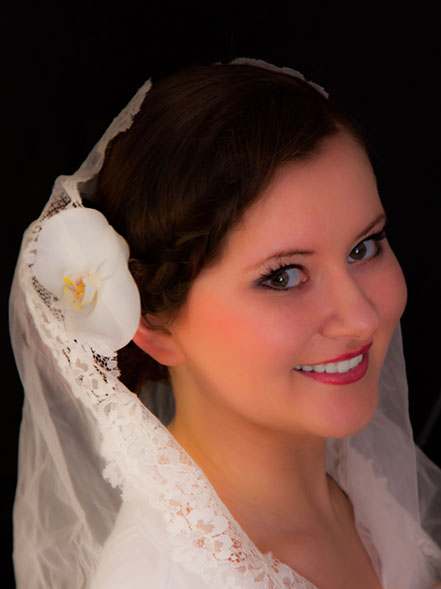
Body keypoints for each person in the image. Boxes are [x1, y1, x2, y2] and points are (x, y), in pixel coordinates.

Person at [10, 59, 441, 588]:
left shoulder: (359, 487)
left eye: (364, 247)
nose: (362, 318)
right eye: (283, 277)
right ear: (154, 325)